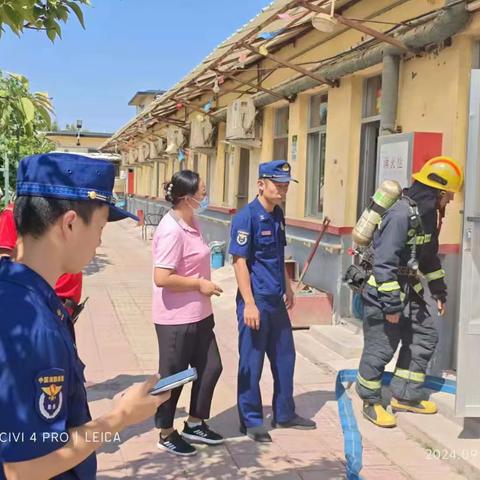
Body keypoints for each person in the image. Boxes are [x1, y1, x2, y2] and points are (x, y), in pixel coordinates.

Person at [0, 152, 170, 479]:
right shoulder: (34, 326)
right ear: (70, 224)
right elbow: (24, 469)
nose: (100, 241)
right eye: (101, 226)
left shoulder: (17, 291)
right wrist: (120, 417)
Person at [356, 156, 463, 428]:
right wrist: (391, 307)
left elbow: (428, 257)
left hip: (408, 290)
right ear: (438, 193)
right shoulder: (400, 214)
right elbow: (383, 264)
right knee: (382, 347)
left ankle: (406, 394)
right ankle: (370, 400)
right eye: (448, 195)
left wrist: (439, 292)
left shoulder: (427, 217)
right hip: (384, 293)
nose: (450, 200)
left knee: (424, 336)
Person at [229, 160, 316, 443]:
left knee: (284, 358)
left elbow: (278, 255)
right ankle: (252, 421)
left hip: (276, 301)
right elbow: (240, 262)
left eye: (286, 184)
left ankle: (284, 413)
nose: (282, 189)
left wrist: (289, 287)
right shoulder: (247, 217)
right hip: (255, 302)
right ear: (260, 184)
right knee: (252, 363)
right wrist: (249, 303)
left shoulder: (278, 215)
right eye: (277, 184)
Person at [152, 170, 224, 456]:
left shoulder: (192, 221)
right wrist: (199, 284)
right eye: (202, 192)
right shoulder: (171, 229)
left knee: (211, 368)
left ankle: (195, 422)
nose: (205, 196)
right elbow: (162, 277)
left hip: (200, 314)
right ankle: (166, 431)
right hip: (175, 319)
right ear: (186, 197)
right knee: (175, 377)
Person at [0, 195, 84, 340]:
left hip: (63, 312)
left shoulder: (61, 209)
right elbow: (6, 263)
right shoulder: (13, 213)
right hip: (38, 311)